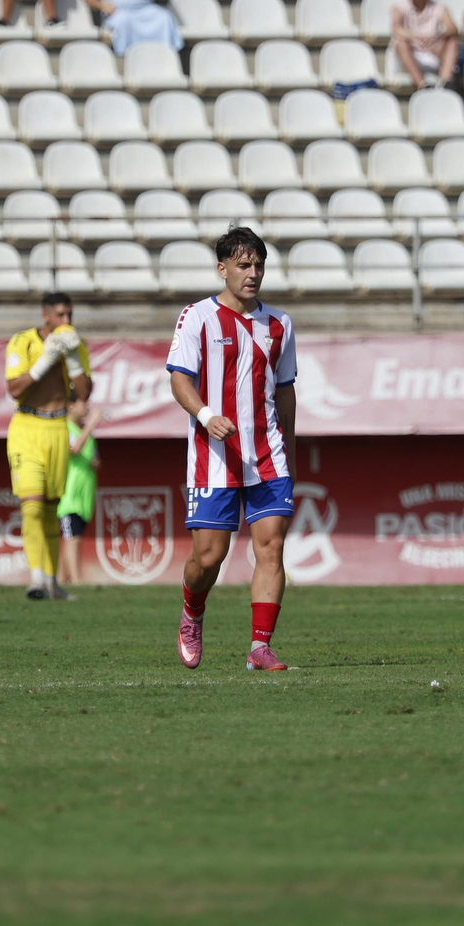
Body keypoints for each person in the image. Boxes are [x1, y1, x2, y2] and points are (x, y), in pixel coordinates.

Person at [165, 226, 298, 672]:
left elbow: (285, 393)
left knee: (272, 549)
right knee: (209, 558)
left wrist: (290, 451)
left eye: (258, 264)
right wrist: (205, 415)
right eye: (243, 265)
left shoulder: (279, 324)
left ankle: (260, 647)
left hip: (267, 455)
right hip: (214, 458)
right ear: (222, 269)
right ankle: (192, 613)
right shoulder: (197, 317)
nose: (253, 273)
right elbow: (179, 380)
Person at [5, 291, 93, 601]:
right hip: (27, 427)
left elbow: (84, 392)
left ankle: (53, 582)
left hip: (58, 427)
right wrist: (46, 360)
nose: (66, 321)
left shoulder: (75, 344)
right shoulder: (23, 342)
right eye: (60, 315)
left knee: (52, 508)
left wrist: (69, 358)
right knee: (31, 506)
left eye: (70, 315)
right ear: (46, 315)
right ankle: (36, 578)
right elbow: (14, 389)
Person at [56, 399, 101, 590]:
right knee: (71, 537)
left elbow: (93, 458)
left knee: (75, 536)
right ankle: (76, 580)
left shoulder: (84, 433)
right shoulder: (63, 428)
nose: (87, 407)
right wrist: (91, 424)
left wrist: (95, 463)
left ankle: (61, 579)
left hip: (84, 496)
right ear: (70, 406)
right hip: (69, 495)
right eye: (83, 403)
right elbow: (74, 449)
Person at [390, 0, 459, 91]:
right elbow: (395, 28)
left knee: (451, 40)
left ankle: (446, 82)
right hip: (410, 54)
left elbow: (453, 28)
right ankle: (422, 85)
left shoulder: (438, 7)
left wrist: (437, 36)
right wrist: (416, 37)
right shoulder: (399, 7)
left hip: (432, 53)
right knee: (401, 43)